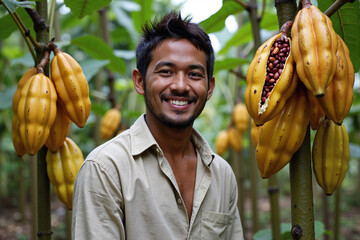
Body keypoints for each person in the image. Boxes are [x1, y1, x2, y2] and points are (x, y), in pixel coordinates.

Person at [72, 11, 244, 240]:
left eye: (194, 74)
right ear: (140, 81)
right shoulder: (105, 169)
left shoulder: (222, 174)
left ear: (209, 88)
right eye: (166, 72)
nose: (181, 86)